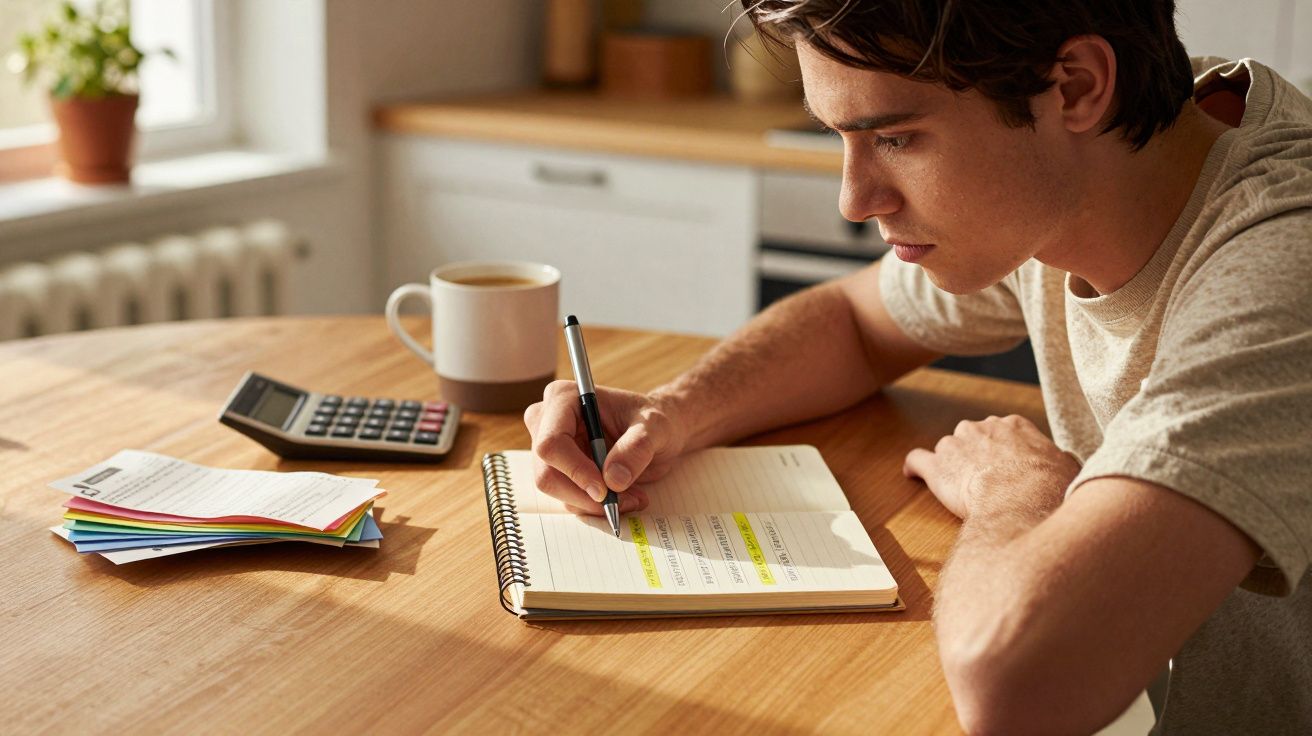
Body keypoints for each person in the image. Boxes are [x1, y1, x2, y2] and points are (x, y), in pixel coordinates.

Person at [523, 1, 1312, 732]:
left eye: (894, 138)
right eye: (841, 137)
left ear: (1076, 86)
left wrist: (1020, 491)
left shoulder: (1280, 263)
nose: (854, 200)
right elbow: (854, 323)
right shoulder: (1105, 162)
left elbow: (1016, 687)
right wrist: (670, 411)